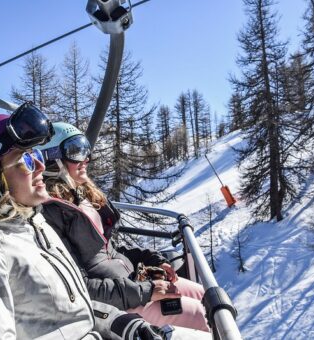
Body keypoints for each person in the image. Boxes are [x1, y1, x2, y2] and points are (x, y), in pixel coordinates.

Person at [0, 105, 172, 340]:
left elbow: (68, 307)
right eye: (25, 158)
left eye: (36, 154)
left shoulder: (32, 224)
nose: (41, 166)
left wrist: (118, 322)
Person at [40, 122, 210, 332]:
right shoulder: (51, 214)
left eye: (86, 149)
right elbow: (80, 286)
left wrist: (153, 260)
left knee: (209, 297)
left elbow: (112, 252)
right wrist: (146, 292)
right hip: (122, 302)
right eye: (75, 150)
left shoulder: (83, 196)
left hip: (136, 281)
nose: (85, 158)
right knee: (205, 317)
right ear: (52, 158)